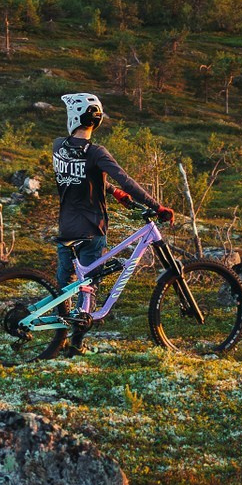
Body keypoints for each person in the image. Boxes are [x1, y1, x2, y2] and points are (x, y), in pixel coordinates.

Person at [50, 92, 171, 319]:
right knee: (88, 288)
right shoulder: (96, 152)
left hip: (67, 226)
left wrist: (113, 191)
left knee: (63, 287)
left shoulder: (58, 147)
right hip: (92, 228)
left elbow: (80, 175)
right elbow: (125, 179)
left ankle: (59, 336)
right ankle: (76, 340)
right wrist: (157, 207)